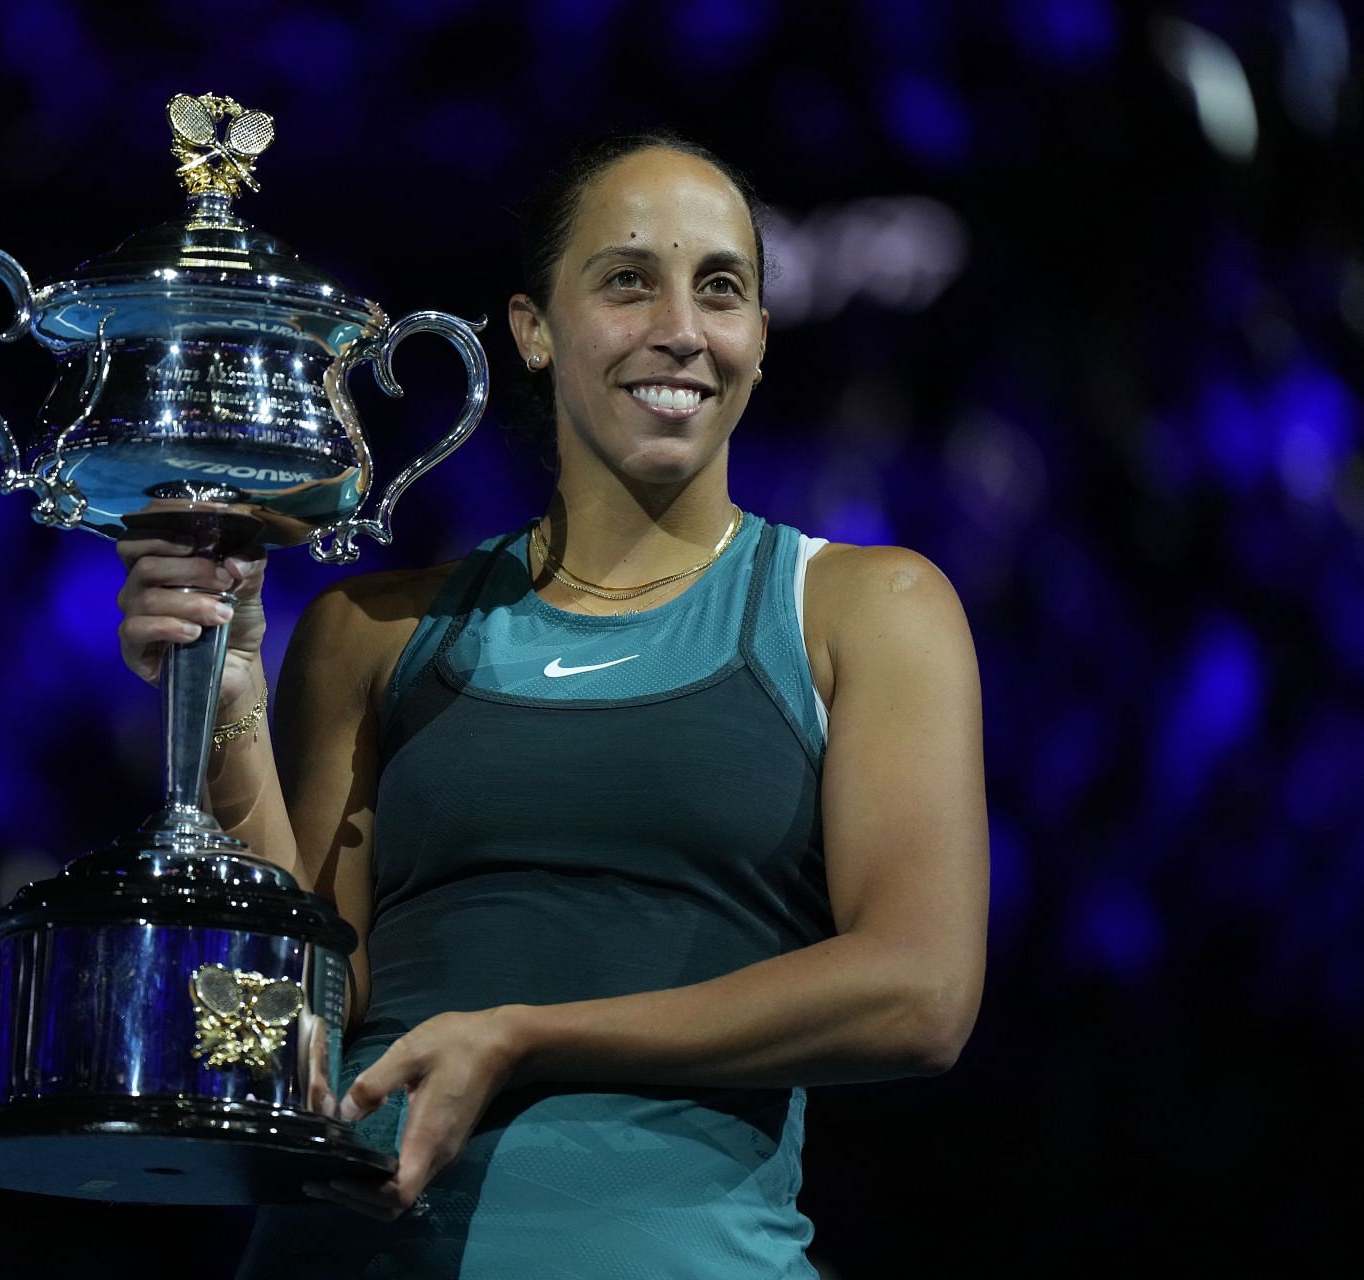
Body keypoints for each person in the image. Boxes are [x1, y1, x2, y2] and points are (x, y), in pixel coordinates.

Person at [115, 130, 988, 1278]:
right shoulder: (369, 631)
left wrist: (526, 1035)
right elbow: (295, 1015)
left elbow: (919, 992)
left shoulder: (870, 609)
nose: (680, 325)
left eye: (720, 287)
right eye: (629, 279)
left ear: (761, 341)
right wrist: (221, 696)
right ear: (533, 330)